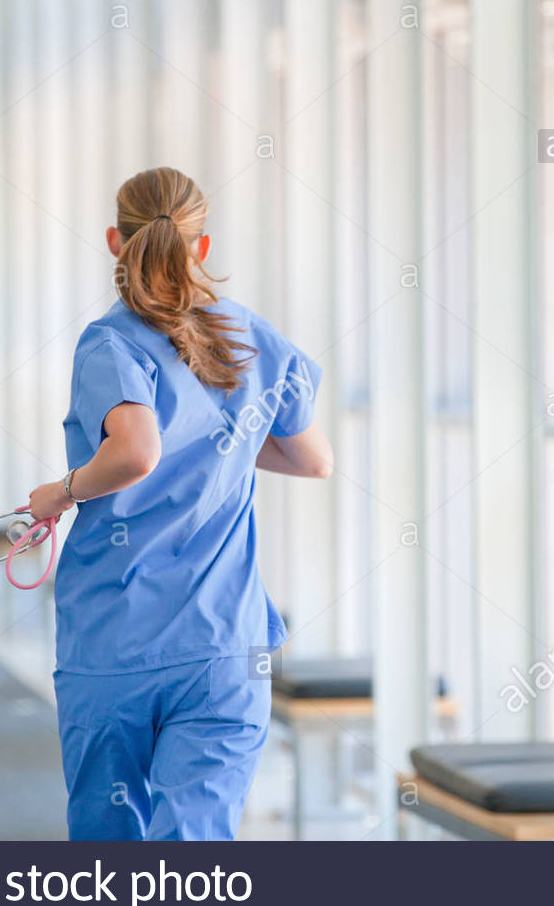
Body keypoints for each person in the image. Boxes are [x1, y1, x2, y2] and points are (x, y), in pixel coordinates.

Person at [28, 167, 332, 840]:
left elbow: (136, 451)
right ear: (201, 246)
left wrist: (59, 492)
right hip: (225, 648)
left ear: (115, 240)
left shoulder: (110, 343)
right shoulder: (251, 335)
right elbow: (314, 459)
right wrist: (222, 440)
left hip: (117, 642)